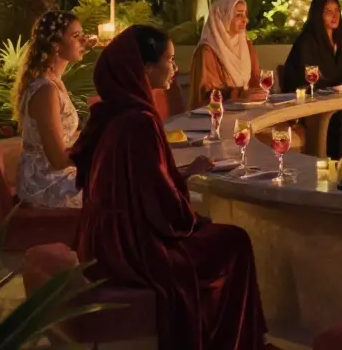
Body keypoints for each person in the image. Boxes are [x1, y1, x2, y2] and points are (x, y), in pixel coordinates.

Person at [70, 25, 268, 350]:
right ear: (145, 69)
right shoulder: (140, 120)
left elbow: (142, 183)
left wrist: (183, 174)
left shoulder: (111, 113)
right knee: (235, 241)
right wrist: (191, 218)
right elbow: (163, 208)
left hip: (102, 241)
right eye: (170, 60)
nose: (175, 68)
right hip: (133, 250)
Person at [280, 0, 342, 160]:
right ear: (318, 14)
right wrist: (332, 87)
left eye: (337, 11)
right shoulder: (307, 41)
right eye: (328, 12)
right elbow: (303, 79)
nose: (335, 16)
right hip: (317, 104)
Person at [15, 11, 89, 209]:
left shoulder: (54, 81)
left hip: (53, 175)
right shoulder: (46, 90)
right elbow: (57, 159)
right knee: (118, 189)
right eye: (75, 36)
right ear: (56, 45)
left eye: (83, 33)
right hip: (45, 183)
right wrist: (97, 153)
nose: (84, 40)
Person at [188, 0, 267, 109]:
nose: (245, 20)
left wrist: (259, 92)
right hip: (216, 115)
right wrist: (238, 94)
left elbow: (255, 81)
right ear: (222, 17)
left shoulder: (247, 45)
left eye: (245, 14)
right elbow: (205, 94)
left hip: (247, 110)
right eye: (238, 15)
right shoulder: (207, 51)